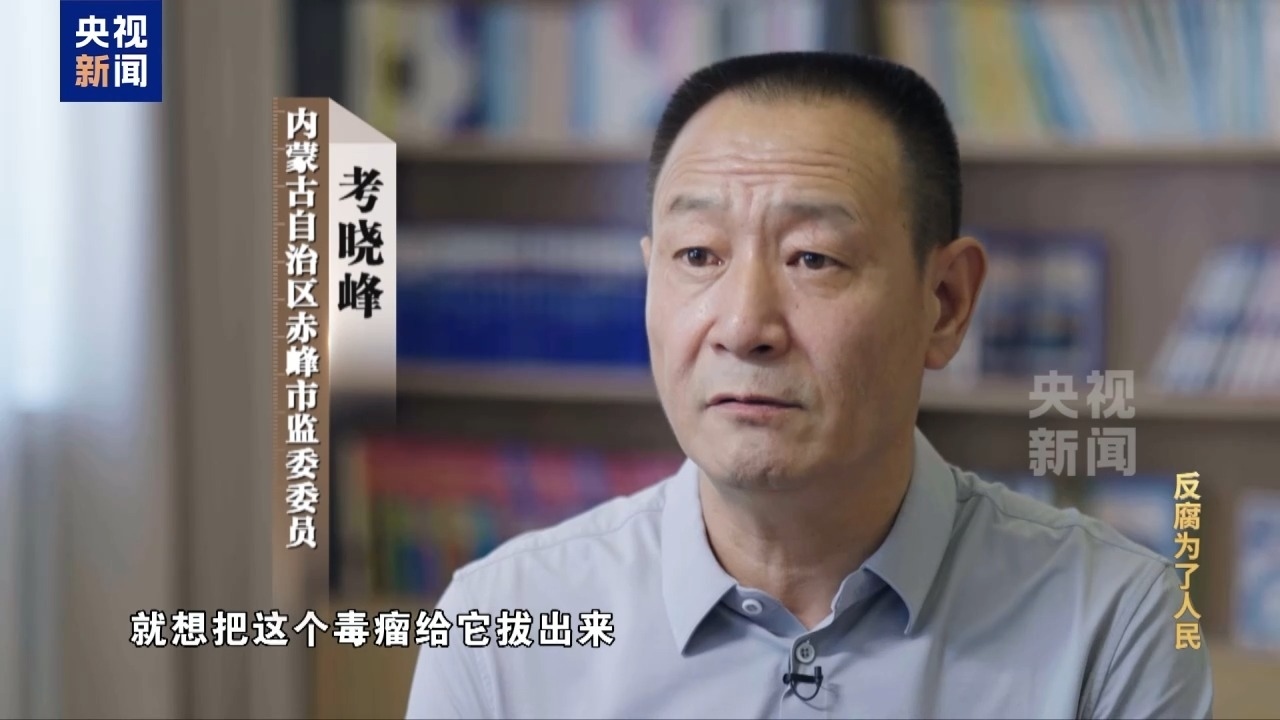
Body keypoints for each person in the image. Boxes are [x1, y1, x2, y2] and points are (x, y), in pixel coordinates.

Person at [405, 51, 1213, 719]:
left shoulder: (1112, 620)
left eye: (813, 259)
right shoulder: (501, 622)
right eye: (698, 256)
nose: (743, 325)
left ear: (945, 303)